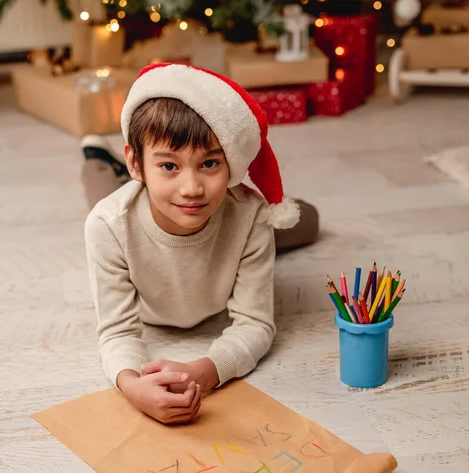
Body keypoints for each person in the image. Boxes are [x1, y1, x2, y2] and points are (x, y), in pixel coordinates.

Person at [83, 63, 319, 425]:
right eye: (169, 166)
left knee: (308, 220)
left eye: (209, 163)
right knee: (102, 193)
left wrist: (207, 370)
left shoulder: (249, 215)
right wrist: (131, 385)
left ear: (232, 164)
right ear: (136, 161)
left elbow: (256, 324)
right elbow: (116, 331)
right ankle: (101, 160)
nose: (192, 188)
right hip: (131, 202)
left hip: (228, 213)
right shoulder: (109, 225)